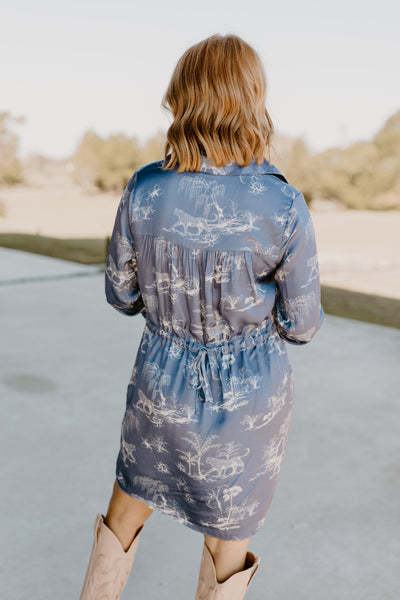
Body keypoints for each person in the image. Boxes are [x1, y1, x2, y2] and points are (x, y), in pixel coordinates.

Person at [79, 33, 324, 600]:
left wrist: (172, 311)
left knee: (123, 519)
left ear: (181, 98)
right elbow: (302, 324)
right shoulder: (283, 203)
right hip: (247, 402)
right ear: (252, 98)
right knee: (225, 543)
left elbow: (120, 294)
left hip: (158, 383)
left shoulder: (144, 189)